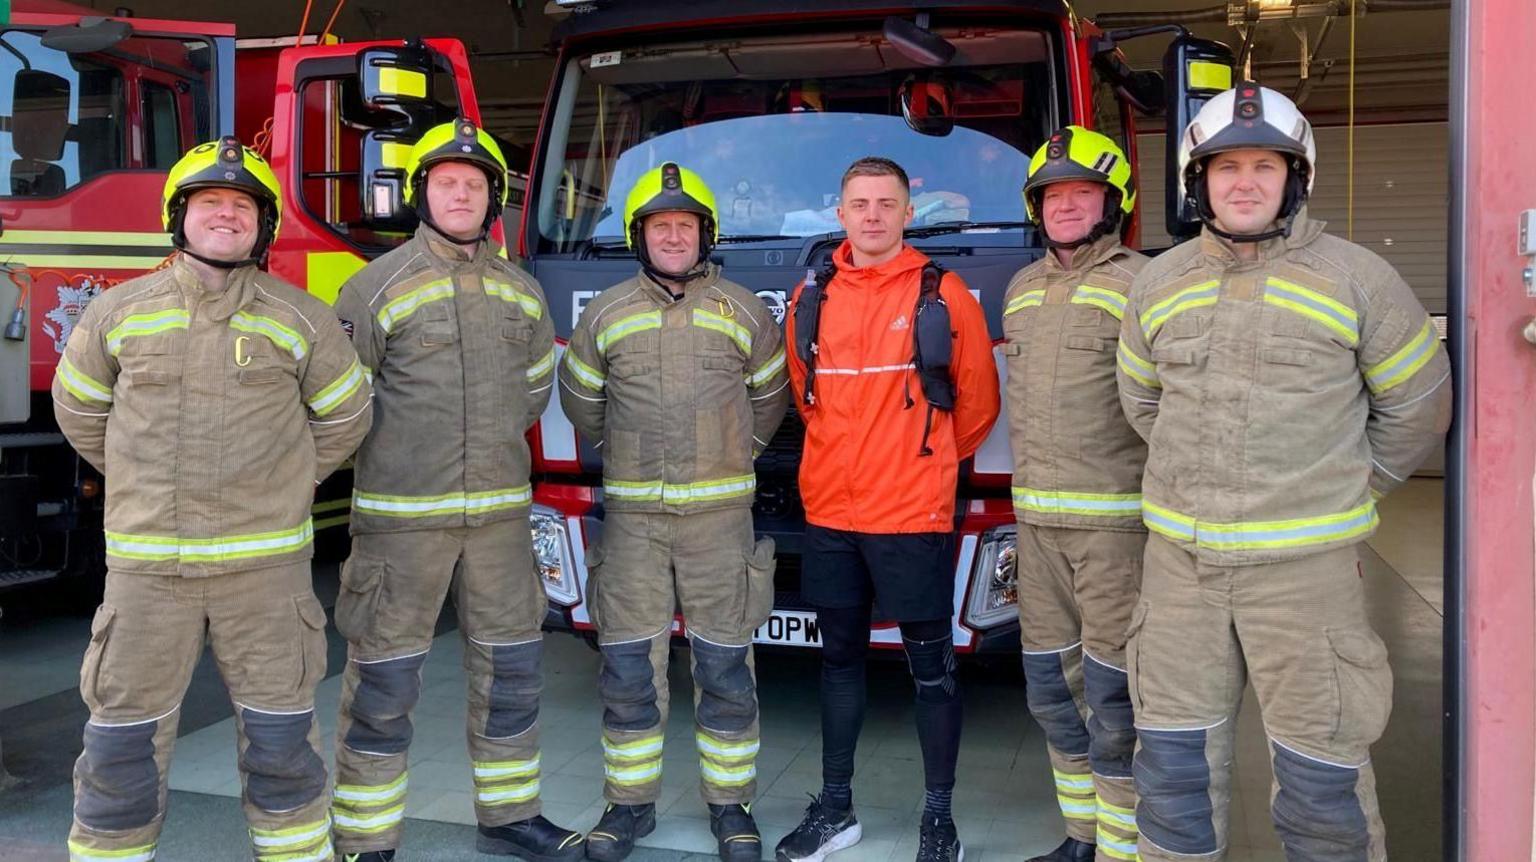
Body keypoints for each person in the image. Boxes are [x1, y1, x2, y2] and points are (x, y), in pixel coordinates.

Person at [1116, 84, 1452, 861]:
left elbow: (1420, 407)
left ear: (1297, 177)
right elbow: (1142, 402)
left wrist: (1345, 487)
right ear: (1196, 182)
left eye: (1264, 165)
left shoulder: (1358, 280)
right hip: (1179, 577)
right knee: (1170, 773)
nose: (1243, 183)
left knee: (1321, 777)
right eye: (1224, 166)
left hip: (1307, 580)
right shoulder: (1158, 284)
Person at [53, 137, 372, 862]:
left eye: (242, 206)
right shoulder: (118, 312)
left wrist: (289, 477)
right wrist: (139, 473)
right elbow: (79, 411)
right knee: (120, 745)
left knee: (283, 743)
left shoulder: (302, 319)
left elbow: (349, 415)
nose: (226, 216)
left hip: (264, 577)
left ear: (264, 225)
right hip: (146, 578)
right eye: (209, 202)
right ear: (179, 217)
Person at [330, 118, 579, 862]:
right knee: (383, 684)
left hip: (500, 524)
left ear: (494, 198)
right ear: (421, 194)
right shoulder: (374, 287)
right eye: (446, 182)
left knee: (511, 676)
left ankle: (509, 817)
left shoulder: (522, 294)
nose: (461, 193)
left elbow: (534, 392)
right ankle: (365, 841)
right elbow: (345, 403)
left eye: (474, 184)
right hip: (401, 528)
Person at [559, 161, 789, 862]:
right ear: (640, 235)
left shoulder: (745, 310)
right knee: (628, 670)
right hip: (633, 527)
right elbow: (582, 404)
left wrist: (731, 452)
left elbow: (770, 403)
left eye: (684, 226)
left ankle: (732, 807)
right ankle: (629, 808)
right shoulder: (605, 312)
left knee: (725, 669)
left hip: (721, 527)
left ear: (704, 235)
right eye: (660, 226)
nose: (672, 237)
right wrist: (627, 450)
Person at [777, 156, 1000, 862]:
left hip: (911, 515)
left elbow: (977, 405)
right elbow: (803, 396)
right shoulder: (812, 295)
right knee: (838, 660)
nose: (872, 215)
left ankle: (939, 821)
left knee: (931, 671)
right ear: (839, 214)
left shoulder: (946, 294)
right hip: (831, 516)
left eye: (886, 204)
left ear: (910, 213)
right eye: (859, 203)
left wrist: (920, 462)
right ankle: (836, 810)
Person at [1003, 126, 1148, 862]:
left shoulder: (1142, 285)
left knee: (1115, 699)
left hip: (1116, 534)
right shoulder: (1023, 289)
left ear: (1112, 203)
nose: (1065, 206)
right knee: (1051, 692)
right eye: (1052, 194)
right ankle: (1082, 838)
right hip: (1037, 530)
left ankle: (1124, 849)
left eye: (1081, 192)